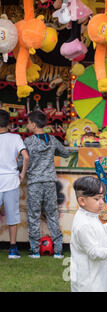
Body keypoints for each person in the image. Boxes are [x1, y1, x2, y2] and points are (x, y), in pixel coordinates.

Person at [24, 110, 70, 259]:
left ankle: (35, 250)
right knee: (52, 215)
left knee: (33, 215)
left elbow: (21, 161)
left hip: (34, 183)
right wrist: (51, 152)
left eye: (28, 122)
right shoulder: (52, 140)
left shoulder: (28, 142)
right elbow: (65, 153)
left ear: (33, 124)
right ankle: (58, 250)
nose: (26, 125)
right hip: (50, 182)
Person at [0, 110, 29, 259]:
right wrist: (22, 174)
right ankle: (12, 249)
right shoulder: (15, 137)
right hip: (11, 181)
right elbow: (25, 156)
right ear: (9, 123)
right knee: (12, 217)